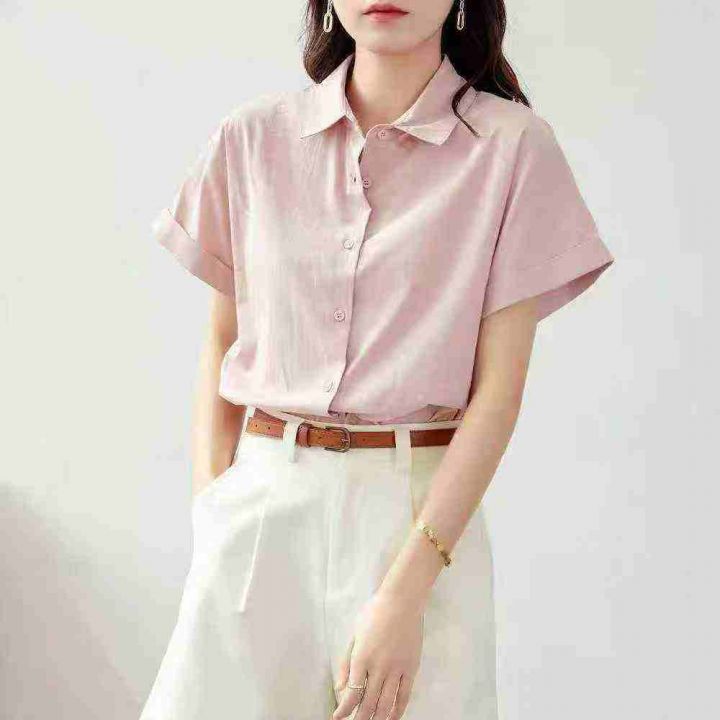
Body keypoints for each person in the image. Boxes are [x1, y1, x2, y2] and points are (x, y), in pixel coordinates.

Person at [139, 1, 615, 719]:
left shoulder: (513, 147)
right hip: (260, 510)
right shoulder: (252, 138)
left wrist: (404, 596)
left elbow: (498, 394)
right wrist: (213, 513)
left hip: (415, 522)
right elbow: (221, 343)